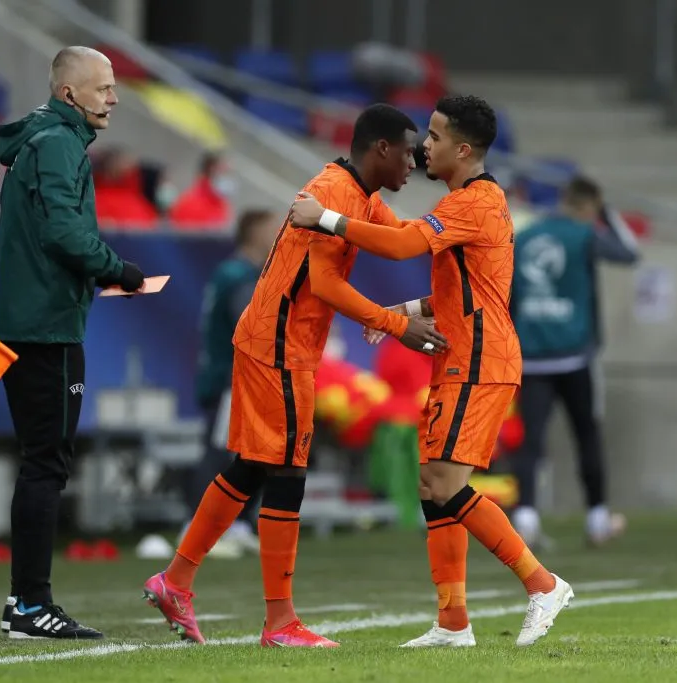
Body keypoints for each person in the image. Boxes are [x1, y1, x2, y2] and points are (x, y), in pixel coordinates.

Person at [142, 104, 446, 648]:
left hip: (280, 346)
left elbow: (402, 241)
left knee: (252, 470)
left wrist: (439, 280)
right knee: (286, 475)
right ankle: (279, 622)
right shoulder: (332, 194)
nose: (416, 161)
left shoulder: (358, 196)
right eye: (408, 151)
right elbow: (326, 286)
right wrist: (395, 324)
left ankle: (176, 581)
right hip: (279, 348)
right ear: (381, 149)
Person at [287, 95, 574, 648]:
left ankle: (544, 583)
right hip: (460, 356)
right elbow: (467, 290)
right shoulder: (470, 202)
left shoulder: (475, 202)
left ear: (463, 150)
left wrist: (324, 218)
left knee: (445, 485)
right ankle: (452, 622)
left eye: (436, 137)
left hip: (480, 362)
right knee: (431, 486)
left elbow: (399, 246)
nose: (424, 145)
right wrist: (404, 312)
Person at [0, 46, 146, 641]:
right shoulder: (57, 143)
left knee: (40, 462)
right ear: (69, 93)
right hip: (45, 328)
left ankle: (24, 602)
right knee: (46, 464)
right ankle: (31, 604)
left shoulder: (44, 139)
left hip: (34, 321)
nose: (113, 97)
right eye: (103, 87)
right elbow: (64, 231)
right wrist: (118, 269)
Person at [509, 176, 639, 548]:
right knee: (587, 435)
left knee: (531, 441)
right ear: (590, 206)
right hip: (575, 355)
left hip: (531, 355)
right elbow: (629, 253)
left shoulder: (527, 235)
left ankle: (526, 518)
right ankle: (598, 518)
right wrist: (608, 215)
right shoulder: (585, 235)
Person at [185, 208, 282, 557]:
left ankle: (234, 524)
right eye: (272, 225)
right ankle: (202, 527)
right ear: (254, 231)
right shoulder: (239, 275)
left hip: (231, 377)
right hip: (232, 378)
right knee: (222, 456)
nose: (278, 232)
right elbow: (252, 324)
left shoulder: (237, 272)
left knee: (244, 454)